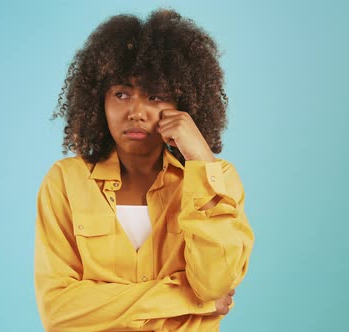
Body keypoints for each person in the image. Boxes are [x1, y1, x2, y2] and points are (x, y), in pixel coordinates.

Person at [34, 8, 254, 331]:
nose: (136, 112)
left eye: (155, 95)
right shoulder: (65, 183)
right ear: (99, 102)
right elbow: (59, 312)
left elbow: (214, 284)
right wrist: (187, 300)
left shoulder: (219, 181)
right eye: (121, 94)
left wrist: (202, 161)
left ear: (183, 104)